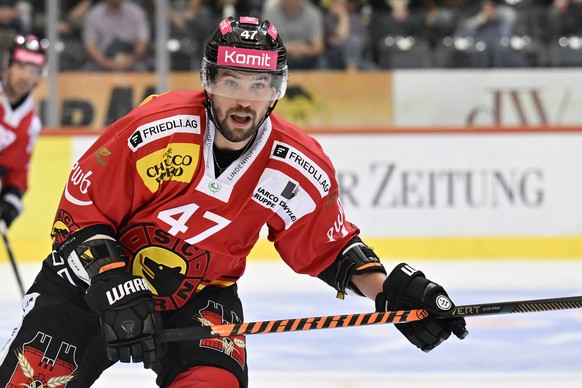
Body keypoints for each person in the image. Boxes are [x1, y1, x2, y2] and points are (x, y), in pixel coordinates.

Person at [0, 16, 467, 387]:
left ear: (276, 90)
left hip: (200, 295)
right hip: (89, 286)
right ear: (209, 81)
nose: (244, 101)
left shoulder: (297, 164)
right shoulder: (155, 130)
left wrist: (388, 292)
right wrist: (112, 279)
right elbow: (81, 210)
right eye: (231, 83)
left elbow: (326, 247)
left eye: (259, 85)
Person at [0, 34, 46, 231]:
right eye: (20, 67)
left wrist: (9, 203)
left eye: (33, 71)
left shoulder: (31, 124)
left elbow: (16, 174)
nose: (26, 76)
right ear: (7, 66)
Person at [82, 0, 151, 72]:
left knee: (142, 68)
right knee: (88, 69)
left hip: (132, 58)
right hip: (103, 59)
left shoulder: (136, 12)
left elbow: (143, 42)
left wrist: (131, 59)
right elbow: (90, 45)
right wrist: (105, 62)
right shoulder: (94, 14)